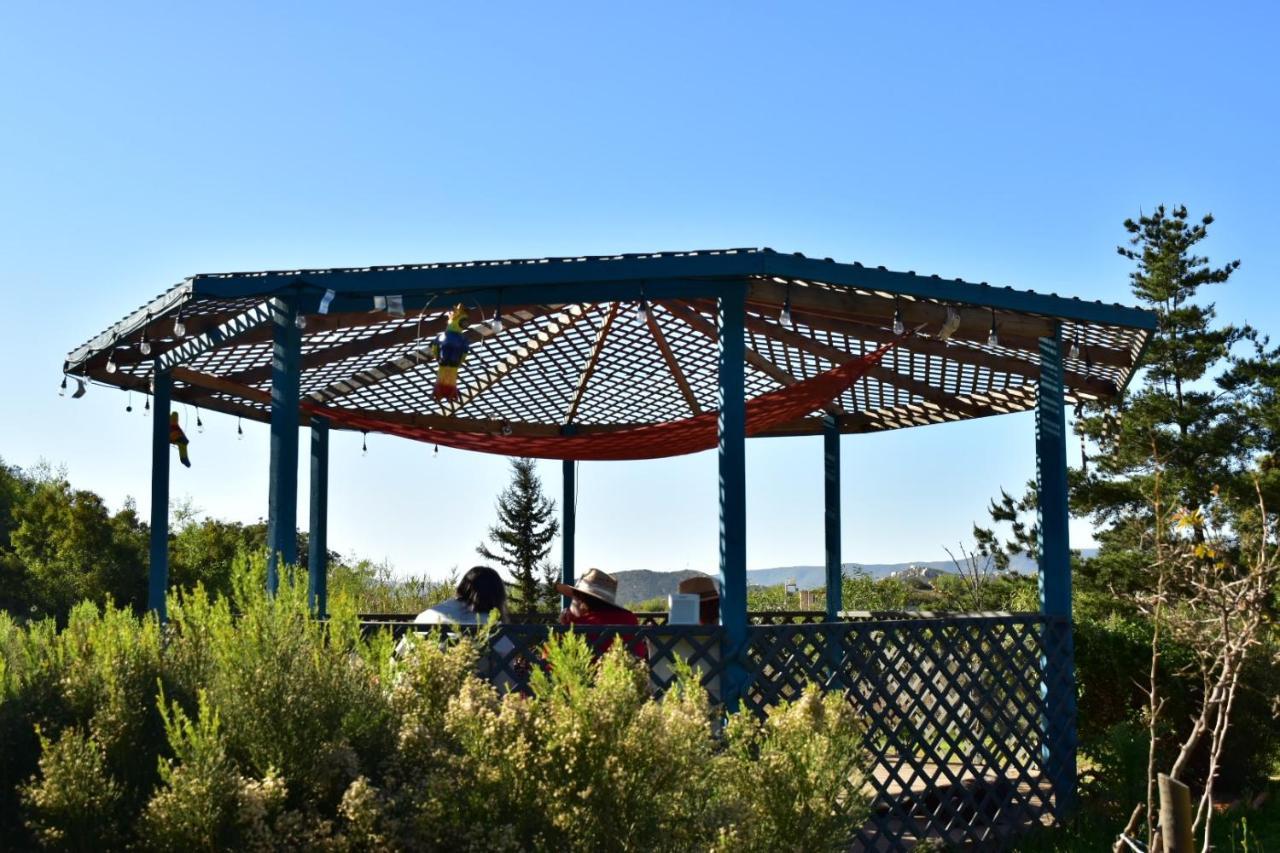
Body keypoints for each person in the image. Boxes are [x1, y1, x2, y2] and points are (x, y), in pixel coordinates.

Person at [400, 566, 519, 687]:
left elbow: (399, 659)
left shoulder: (427, 616)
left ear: (462, 587)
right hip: (471, 699)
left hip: (421, 695)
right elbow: (505, 684)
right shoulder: (493, 627)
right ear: (497, 596)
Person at [555, 568, 647, 660]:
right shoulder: (629, 618)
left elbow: (549, 662)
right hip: (629, 672)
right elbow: (640, 652)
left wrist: (565, 626)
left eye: (573, 598)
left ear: (580, 600)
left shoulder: (576, 626)